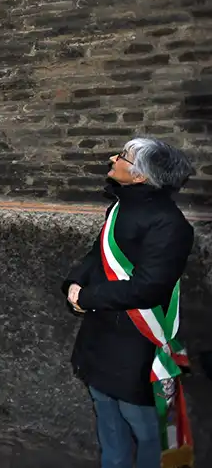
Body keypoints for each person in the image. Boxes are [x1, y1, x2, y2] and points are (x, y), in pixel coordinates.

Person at [63, 139, 196, 468]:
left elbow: (148, 288)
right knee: (109, 426)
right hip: (101, 340)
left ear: (140, 177)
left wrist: (89, 297)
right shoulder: (120, 207)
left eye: (122, 156)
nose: (113, 158)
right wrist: (74, 283)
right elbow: (98, 254)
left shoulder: (170, 225)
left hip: (138, 351)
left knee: (149, 433)